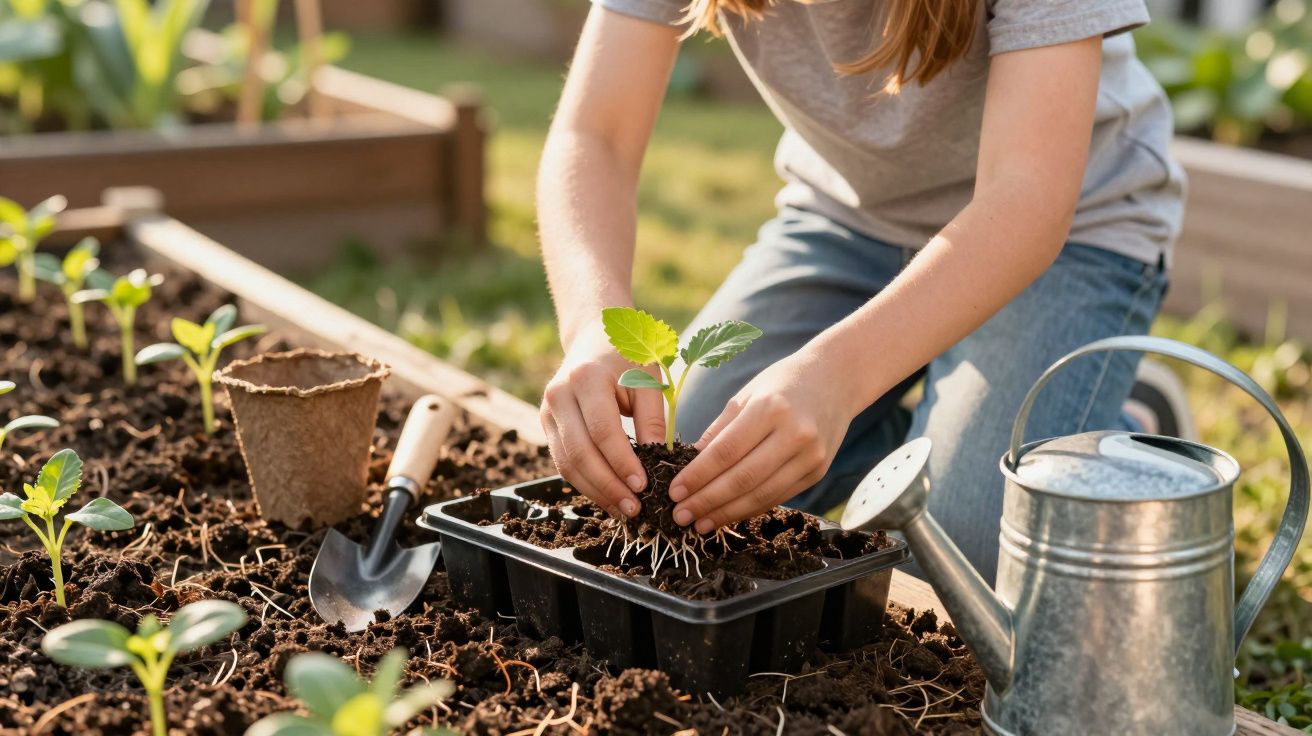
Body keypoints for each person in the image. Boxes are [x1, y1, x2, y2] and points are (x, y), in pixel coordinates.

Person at [536, 0, 1186, 583]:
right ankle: (942, 418)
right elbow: (596, 137)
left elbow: (1027, 201)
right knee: (686, 477)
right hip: (848, 221)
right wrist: (594, 325)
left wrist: (839, 380)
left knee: (948, 559)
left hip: (1071, 233)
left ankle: (1125, 428)